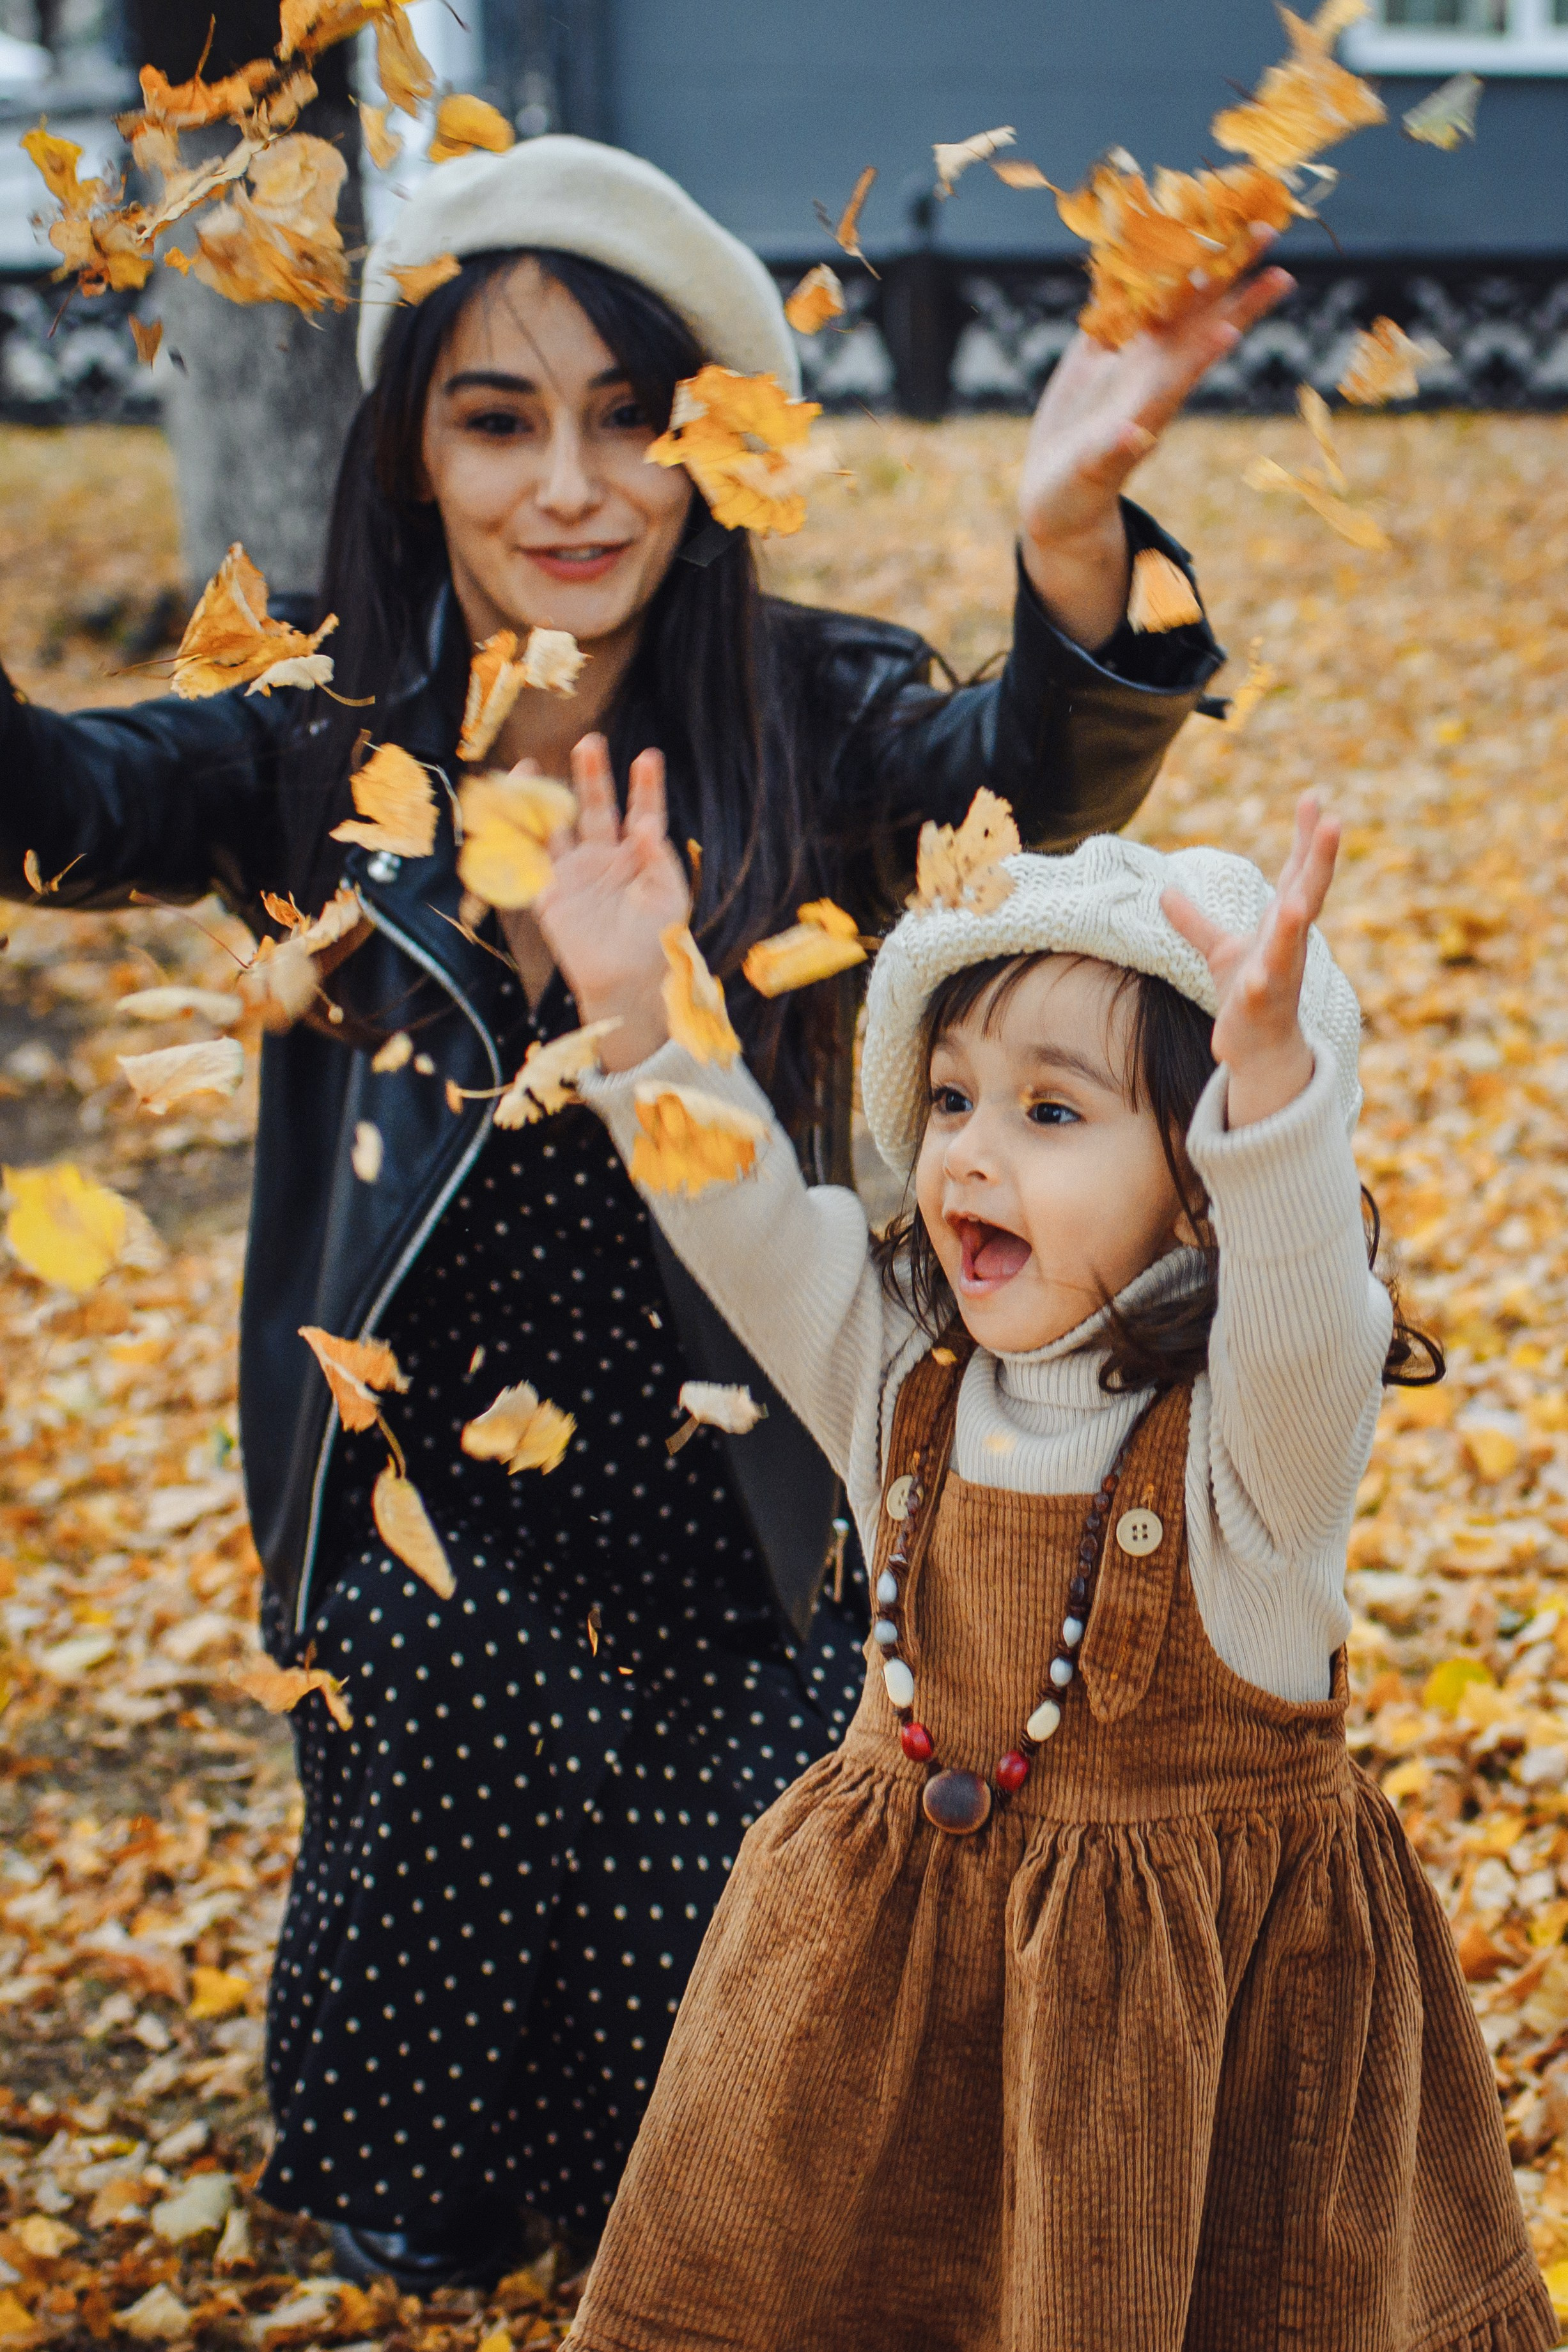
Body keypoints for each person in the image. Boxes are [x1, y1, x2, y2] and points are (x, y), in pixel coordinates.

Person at [0, 135, 1289, 2280]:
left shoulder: (811, 708)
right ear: (413, 452)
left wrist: (1072, 537)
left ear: (709, 453)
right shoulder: (314, 751)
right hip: (434, 1506)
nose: (569, 487)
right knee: (423, 2062)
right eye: (497, 421)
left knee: (713, 2107)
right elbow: (55, 808)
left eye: (632, 419)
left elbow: (1039, 779)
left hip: (756, 1497)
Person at [537, 768, 1553, 2352]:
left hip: (1182, 2054)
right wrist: (631, 1009)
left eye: (1052, 1109)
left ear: (1204, 1190)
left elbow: (1304, 1314)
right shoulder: (900, 1379)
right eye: (951, 1100)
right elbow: (750, 1218)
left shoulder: (1252, 1462)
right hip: (880, 2013)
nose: (968, 1155)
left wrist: (1271, 1101)